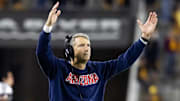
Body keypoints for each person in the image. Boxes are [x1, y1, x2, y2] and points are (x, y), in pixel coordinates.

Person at [36, 2, 158, 101]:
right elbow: (42, 53)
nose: (87, 48)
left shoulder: (99, 70)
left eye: (88, 45)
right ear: (70, 51)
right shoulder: (57, 69)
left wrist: (144, 38)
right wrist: (47, 27)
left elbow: (125, 61)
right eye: (81, 45)